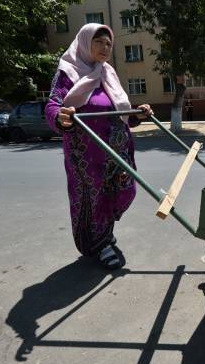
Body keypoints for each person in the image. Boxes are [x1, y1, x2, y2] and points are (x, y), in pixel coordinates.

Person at [45, 23, 152, 270]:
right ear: (85, 42)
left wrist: (137, 113)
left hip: (118, 153)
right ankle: (101, 243)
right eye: (99, 41)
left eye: (108, 43)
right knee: (96, 201)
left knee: (125, 190)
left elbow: (119, 110)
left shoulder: (107, 73)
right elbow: (52, 105)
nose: (105, 47)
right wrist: (61, 116)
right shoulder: (68, 72)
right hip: (87, 157)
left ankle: (104, 231)